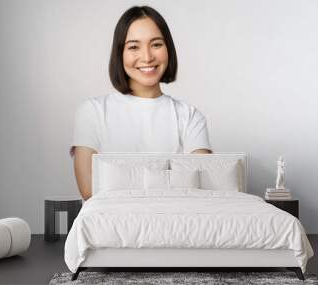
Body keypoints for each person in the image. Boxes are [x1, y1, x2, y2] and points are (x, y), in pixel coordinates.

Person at [70, 6, 212, 200]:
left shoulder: (190, 116)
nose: (147, 57)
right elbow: (89, 191)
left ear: (168, 49)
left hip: (177, 225)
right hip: (112, 225)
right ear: (120, 53)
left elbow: (199, 189)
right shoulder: (92, 112)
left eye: (156, 44)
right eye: (134, 46)